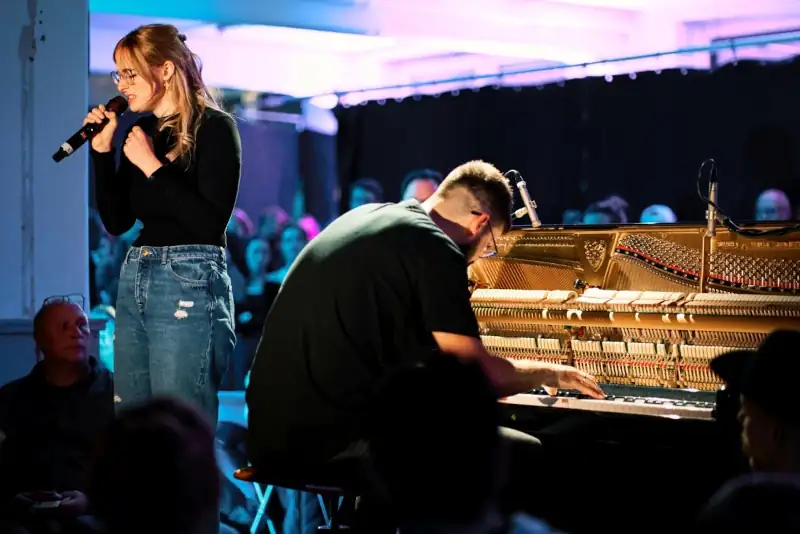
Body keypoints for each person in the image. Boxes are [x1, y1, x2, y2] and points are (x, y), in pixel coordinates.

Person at [247, 160, 603, 528]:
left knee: (417, 443)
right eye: (490, 248)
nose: (482, 257)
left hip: (268, 434)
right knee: (525, 453)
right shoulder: (434, 247)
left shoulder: (372, 217)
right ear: (480, 224)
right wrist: (552, 372)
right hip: (328, 444)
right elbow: (479, 376)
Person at [85, 23, 240, 424]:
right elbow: (117, 222)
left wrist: (153, 167)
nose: (122, 84)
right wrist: (103, 154)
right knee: (135, 425)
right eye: (118, 74)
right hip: (137, 268)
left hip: (188, 276)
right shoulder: (142, 132)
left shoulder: (215, 128)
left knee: (178, 427)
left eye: (130, 73)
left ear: (166, 70)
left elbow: (208, 223)